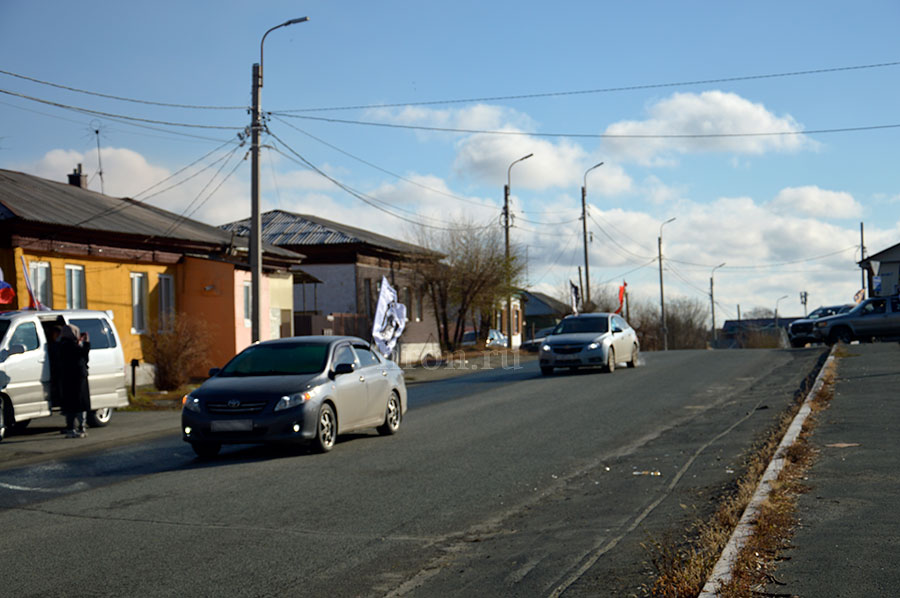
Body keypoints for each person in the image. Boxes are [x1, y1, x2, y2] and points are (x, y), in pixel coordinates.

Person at [57, 323, 91, 438]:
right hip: (77, 378)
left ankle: (70, 427)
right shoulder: (71, 345)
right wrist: (85, 343)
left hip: (66, 378)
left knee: (69, 403)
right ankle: (79, 427)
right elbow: (84, 356)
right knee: (79, 403)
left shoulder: (61, 344)